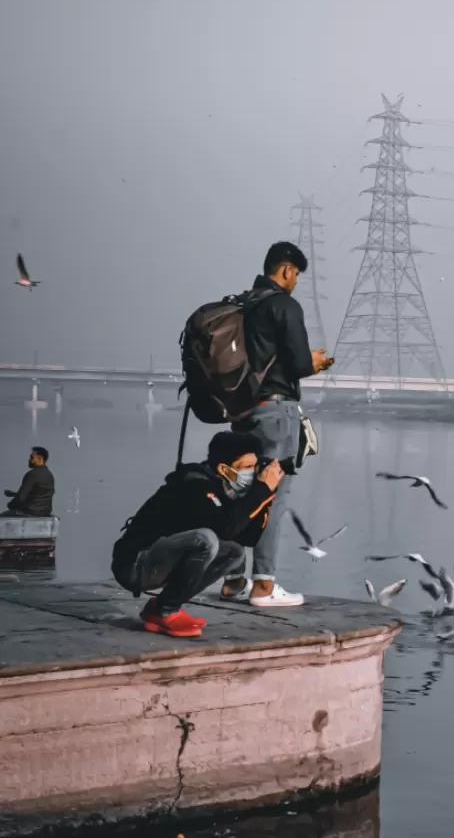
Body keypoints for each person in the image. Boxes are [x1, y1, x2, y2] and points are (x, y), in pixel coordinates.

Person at [224, 241, 333, 610]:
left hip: (242, 412)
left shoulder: (245, 303)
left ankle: (233, 579)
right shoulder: (284, 305)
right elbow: (299, 362)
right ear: (286, 270)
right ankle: (264, 585)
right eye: (296, 275)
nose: (296, 282)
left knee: (239, 491)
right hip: (275, 411)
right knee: (272, 493)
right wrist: (315, 361)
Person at [111, 432, 284, 638]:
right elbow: (227, 528)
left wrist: (266, 496)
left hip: (159, 562)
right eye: (246, 467)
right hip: (135, 564)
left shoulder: (224, 488)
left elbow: (247, 538)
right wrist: (261, 490)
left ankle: (162, 607)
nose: (252, 473)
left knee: (234, 552)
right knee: (206, 540)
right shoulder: (195, 485)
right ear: (223, 469)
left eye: (254, 467)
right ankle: (166, 611)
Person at [3, 446, 55, 516]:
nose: (29, 460)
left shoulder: (32, 474)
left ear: (40, 458)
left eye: (32, 457)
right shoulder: (49, 475)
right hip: (45, 512)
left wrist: (10, 505)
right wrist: (14, 494)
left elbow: (20, 498)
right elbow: (38, 494)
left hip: (30, 512)